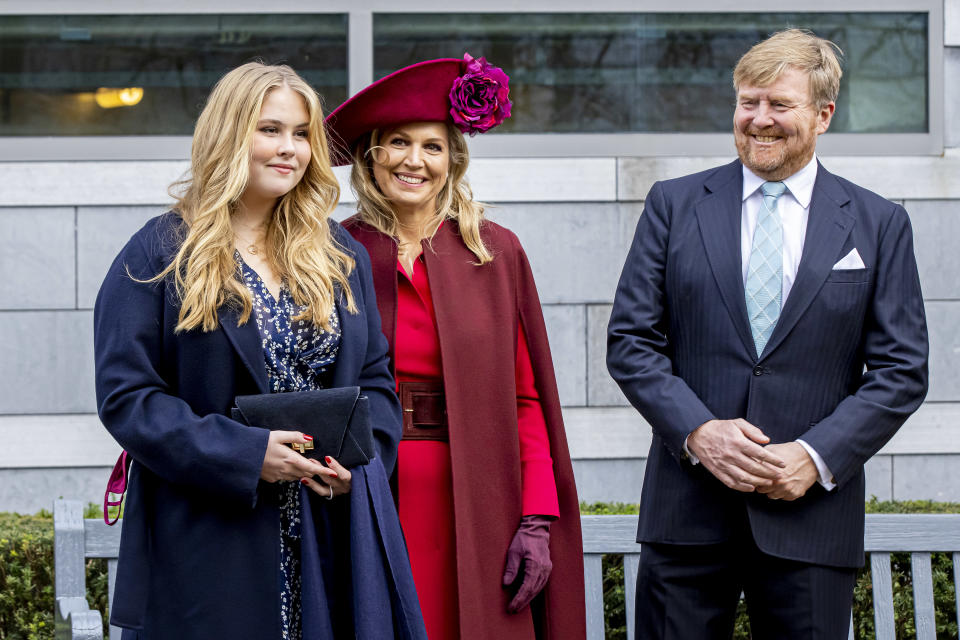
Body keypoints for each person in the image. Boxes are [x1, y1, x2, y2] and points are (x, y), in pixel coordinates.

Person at [607, 29, 929, 639]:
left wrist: (815, 457)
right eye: (748, 102)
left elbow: (902, 371)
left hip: (810, 520)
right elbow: (631, 340)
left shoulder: (880, 223)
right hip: (687, 517)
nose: (760, 120)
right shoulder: (674, 205)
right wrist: (700, 433)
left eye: (779, 104)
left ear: (823, 114)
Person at [94, 62, 426, 640]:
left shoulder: (337, 253)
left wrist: (359, 460)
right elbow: (129, 399)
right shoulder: (161, 252)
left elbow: (375, 380)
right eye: (270, 130)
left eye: (301, 134)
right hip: (210, 538)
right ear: (229, 134)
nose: (289, 149)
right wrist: (246, 455)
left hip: (328, 533)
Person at [324, 54, 586, 640]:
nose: (414, 161)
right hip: (371, 494)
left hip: (481, 494)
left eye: (433, 146)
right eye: (397, 142)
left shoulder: (494, 252)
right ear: (371, 156)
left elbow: (527, 398)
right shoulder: (332, 254)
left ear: (453, 160)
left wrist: (538, 516)